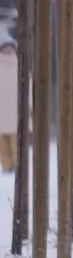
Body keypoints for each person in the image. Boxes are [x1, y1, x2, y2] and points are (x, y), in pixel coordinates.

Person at [0, 36, 17, 173]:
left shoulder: (19, 63)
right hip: (2, 107)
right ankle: (6, 165)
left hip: (14, 108)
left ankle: (17, 164)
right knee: (2, 142)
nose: (8, 48)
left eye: (10, 45)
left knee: (15, 140)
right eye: (6, 46)